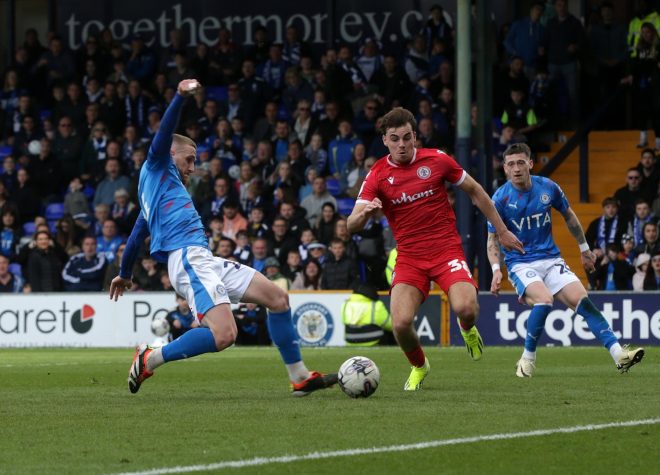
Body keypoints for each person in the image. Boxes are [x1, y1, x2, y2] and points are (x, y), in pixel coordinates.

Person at [109, 79, 337, 396]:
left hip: (204, 259)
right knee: (224, 335)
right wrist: (179, 97)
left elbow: (135, 236)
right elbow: (163, 133)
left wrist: (124, 273)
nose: (193, 166)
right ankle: (151, 357)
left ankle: (299, 376)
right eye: (188, 159)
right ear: (170, 153)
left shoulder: (156, 193)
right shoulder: (158, 163)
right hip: (187, 258)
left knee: (278, 299)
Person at [348, 107, 525, 390]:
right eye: (395, 139)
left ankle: (467, 330)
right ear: (384, 140)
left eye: (407, 137)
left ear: (416, 136)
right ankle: (419, 365)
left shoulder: (438, 160)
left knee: (466, 308)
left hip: (446, 252)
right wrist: (364, 214)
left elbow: (476, 191)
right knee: (401, 323)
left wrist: (502, 230)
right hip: (409, 258)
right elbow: (350, 225)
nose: (402, 144)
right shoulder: (377, 174)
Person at [487, 143, 644, 378]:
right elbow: (492, 239)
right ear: (505, 169)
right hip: (521, 263)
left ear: (530, 163)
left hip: (551, 259)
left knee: (583, 301)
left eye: (521, 162)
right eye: (511, 164)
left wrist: (584, 249)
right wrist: (496, 269)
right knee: (545, 299)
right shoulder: (499, 199)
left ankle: (619, 355)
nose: (517, 168)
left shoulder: (548, 187)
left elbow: (569, 216)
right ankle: (527, 359)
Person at [342, 282, 394, 346]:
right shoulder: (376, 305)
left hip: (350, 340)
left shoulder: (346, 304)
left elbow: (344, 322)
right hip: (373, 340)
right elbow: (390, 326)